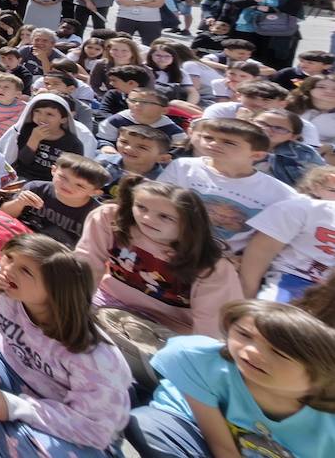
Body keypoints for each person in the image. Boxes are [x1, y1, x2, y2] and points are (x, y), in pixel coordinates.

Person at [0, 234, 132, 458]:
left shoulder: (95, 355)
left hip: (59, 417)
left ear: (56, 290)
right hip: (7, 369)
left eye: (26, 270)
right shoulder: (2, 288)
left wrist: (18, 408)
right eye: (8, 258)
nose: (8, 269)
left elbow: (95, 430)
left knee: (25, 442)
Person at [75, 177, 242, 385]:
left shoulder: (211, 266)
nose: (147, 218)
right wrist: (76, 308)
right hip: (108, 301)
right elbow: (87, 265)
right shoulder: (109, 219)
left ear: (189, 223)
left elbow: (210, 327)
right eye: (141, 207)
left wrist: (191, 368)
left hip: (168, 327)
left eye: (165, 216)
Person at [125, 300, 335, 458]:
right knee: (148, 425)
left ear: (321, 373)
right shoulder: (201, 360)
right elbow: (221, 445)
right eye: (244, 334)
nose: (251, 351)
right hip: (193, 434)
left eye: (279, 352)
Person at [158, 118, 297, 255]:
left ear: (257, 155)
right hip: (166, 247)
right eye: (208, 137)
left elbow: (277, 240)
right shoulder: (183, 166)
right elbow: (158, 204)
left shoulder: (281, 194)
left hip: (223, 260)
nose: (214, 143)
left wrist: (243, 261)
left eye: (229, 142)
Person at [239, 166, 335, 302]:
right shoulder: (302, 208)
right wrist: (247, 293)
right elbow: (260, 252)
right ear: (315, 187)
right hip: (294, 280)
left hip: (329, 290)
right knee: (274, 321)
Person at [0, 93, 93, 184]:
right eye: (37, 112)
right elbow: (24, 161)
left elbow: (72, 170)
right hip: (25, 176)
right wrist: (34, 139)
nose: (42, 118)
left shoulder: (73, 143)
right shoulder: (26, 130)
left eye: (49, 114)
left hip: (54, 181)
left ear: (63, 119)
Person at [231, 0, 304, 69]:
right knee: (247, 63)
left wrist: (257, 6)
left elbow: (291, 10)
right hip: (248, 32)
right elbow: (237, 3)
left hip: (278, 34)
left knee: (273, 64)